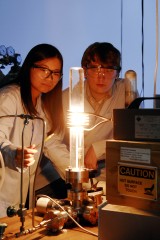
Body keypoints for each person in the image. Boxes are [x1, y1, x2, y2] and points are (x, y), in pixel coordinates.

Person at [0, 43, 70, 217]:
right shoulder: (9, 97)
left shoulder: (41, 107)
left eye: (55, 73)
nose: (50, 77)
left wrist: (76, 173)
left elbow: (51, 143)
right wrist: (14, 153)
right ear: (29, 67)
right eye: (44, 69)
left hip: (20, 198)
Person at [63, 42, 126, 190]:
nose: (101, 76)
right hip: (72, 170)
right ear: (84, 71)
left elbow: (133, 135)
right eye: (95, 68)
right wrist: (74, 169)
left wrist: (98, 149)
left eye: (109, 69)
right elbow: (53, 141)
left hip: (111, 169)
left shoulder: (126, 91)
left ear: (117, 73)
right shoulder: (68, 98)